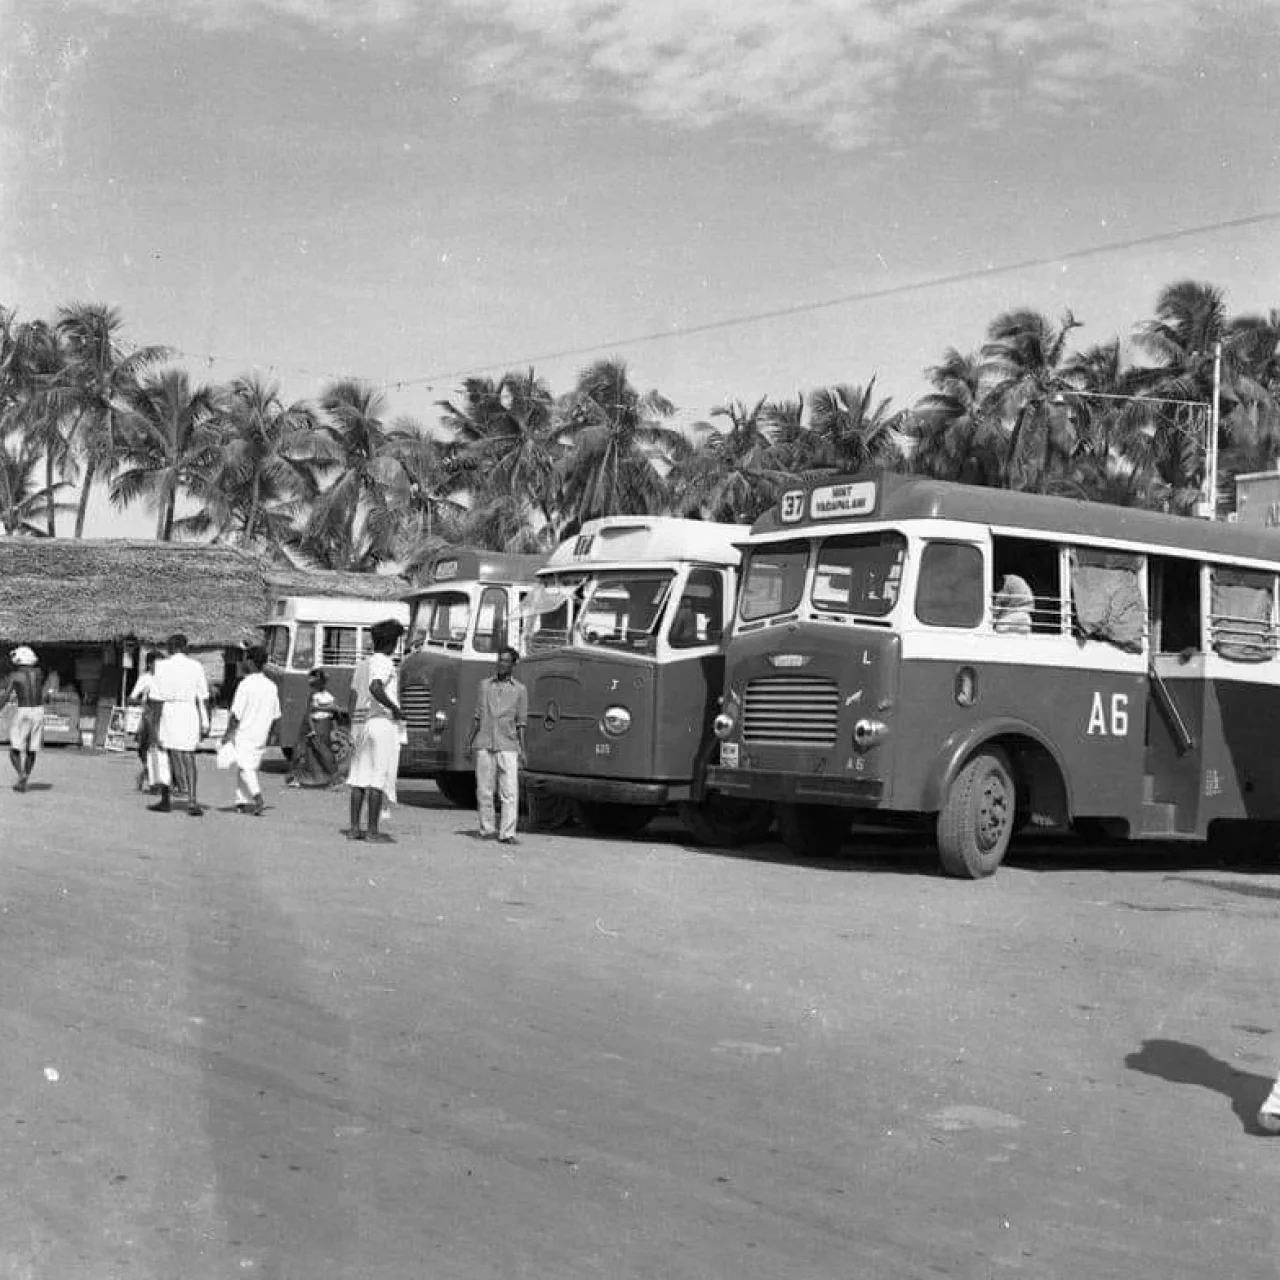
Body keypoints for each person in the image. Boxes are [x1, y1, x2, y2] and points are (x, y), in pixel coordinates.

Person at [345, 618, 406, 843]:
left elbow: (353, 696)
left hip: (365, 724)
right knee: (378, 778)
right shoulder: (385, 662)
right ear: (392, 642)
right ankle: (372, 831)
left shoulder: (364, 663)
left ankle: (354, 829)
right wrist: (395, 708)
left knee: (359, 777)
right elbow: (375, 687)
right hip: (382, 723)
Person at [466, 645, 528, 845]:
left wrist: (523, 749)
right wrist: (469, 743)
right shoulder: (484, 685)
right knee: (484, 789)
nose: (501, 664)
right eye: (499, 660)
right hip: (484, 741)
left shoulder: (520, 690)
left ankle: (507, 832)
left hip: (508, 744)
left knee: (509, 791)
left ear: (513, 664)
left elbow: (521, 723)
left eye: (506, 661)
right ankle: (487, 829)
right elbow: (477, 716)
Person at [150, 633, 210, 817]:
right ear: (185, 648)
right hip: (188, 712)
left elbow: (156, 701)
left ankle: (166, 800)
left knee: (165, 755)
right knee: (188, 756)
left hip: (168, 712)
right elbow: (204, 698)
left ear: (170, 648)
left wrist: (154, 728)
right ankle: (192, 800)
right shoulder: (196, 667)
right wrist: (205, 722)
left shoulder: (161, 667)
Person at [223, 645, 281, 816]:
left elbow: (236, 714)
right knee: (246, 767)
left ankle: (257, 798)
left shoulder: (245, 685)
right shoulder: (271, 686)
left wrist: (228, 733)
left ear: (250, 662)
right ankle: (241, 801)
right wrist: (273, 735)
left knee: (245, 767)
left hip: (245, 732)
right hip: (261, 732)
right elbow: (276, 715)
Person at [286, 668, 342, 788]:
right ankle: (311, 779)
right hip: (315, 726)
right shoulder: (314, 695)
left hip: (325, 727)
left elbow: (335, 713)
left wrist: (335, 729)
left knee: (324, 753)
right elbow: (309, 712)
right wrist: (312, 729)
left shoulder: (329, 696)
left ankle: (327, 780)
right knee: (310, 755)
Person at [4, 646, 46, 792]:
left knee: (14, 749)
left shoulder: (15, 675)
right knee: (31, 748)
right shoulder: (39, 673)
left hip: (24, 711)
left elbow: (6, 696)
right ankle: (25, 779)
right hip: (39, 711)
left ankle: (21, 774)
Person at [128, 651, 161, 792]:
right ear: (149, 664)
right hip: (148, 717)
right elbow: (131, 698)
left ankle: (156, 781)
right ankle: (146, 773)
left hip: (164, 718)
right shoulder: (145, 679)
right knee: (144, 749)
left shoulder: (167, 678)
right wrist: (143, 702)